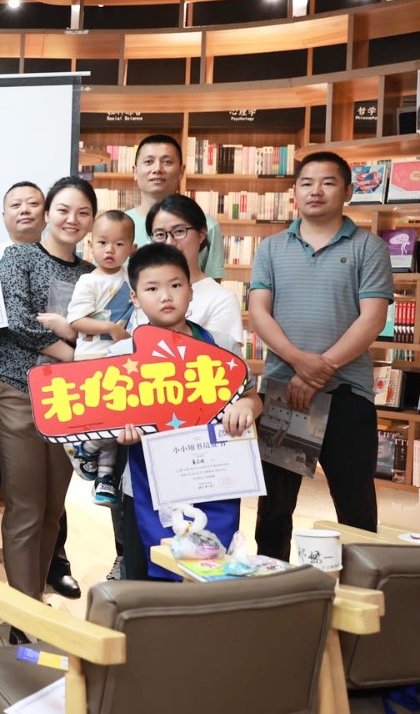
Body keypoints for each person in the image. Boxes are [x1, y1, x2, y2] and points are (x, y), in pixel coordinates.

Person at [248, 151, 393, 560]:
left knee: (355, 505)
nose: (316, 190)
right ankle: (273, 585)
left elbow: (372, 320)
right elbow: (259, 312)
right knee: (274, 508)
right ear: (294, 192)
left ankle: (363, 587)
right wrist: (298, 360)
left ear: (347, 191)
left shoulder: (369, 247)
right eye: (306, 183)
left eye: (328, 182)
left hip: (347, 393)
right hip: (284, 391)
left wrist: (317, 371)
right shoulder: (271, 248)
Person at [117, 243, 263, 579]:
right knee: (146, 579)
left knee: (213, 576)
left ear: (191, 290)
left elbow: (253, 397)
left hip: (214, 478)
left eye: (175, 285)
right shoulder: (121, 355)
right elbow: (110, 421)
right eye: (152, 289)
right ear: (135, 297)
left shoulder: (222, 346)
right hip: (147, 484)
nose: (165, 296)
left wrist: (246, 406)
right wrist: (119, 433)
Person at [0, 177, 96, 617]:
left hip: (69, 399)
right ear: (48, 213)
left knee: (53, 507)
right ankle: (23, 612)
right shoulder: (20, 257)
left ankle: (33, 597)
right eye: (64, 210)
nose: (72, 220)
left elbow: (102, 333)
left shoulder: (92, 273)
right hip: (19, 389)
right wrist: (73, 351)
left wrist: (75, 340)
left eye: (83, 213)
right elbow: (17, 320)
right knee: (26, 505)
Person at [48, 209, 137, 506]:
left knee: (116, 418)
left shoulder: (132, 278)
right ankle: (86, 450)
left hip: (121, 360)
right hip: (92, 360)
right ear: (90, 245)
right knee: (106, 420)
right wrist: (110, 328)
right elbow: (76, 320)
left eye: (119, 244)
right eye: (102, 243)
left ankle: (104, 476)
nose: (110, 250)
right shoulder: (89, 281)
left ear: (132, 248)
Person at [143, 195, 243, 354]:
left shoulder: (221, 299)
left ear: (202, 233)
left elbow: (221, 360)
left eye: (179, 231)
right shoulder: (143, 289)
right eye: (160, 235)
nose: (169, 242)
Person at [124, 135, 224, 278]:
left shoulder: (207, 226)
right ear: (135, 171)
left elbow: (212, 287)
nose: (157, 169)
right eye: (149, 161)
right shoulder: (117, 224)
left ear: (181, 171)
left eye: (167, 162)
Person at [0, 181, 46, 254]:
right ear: (4, 216)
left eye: (33, 203)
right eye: (15, 205)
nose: (24, 210)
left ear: (47, 214)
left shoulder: (60, 256)